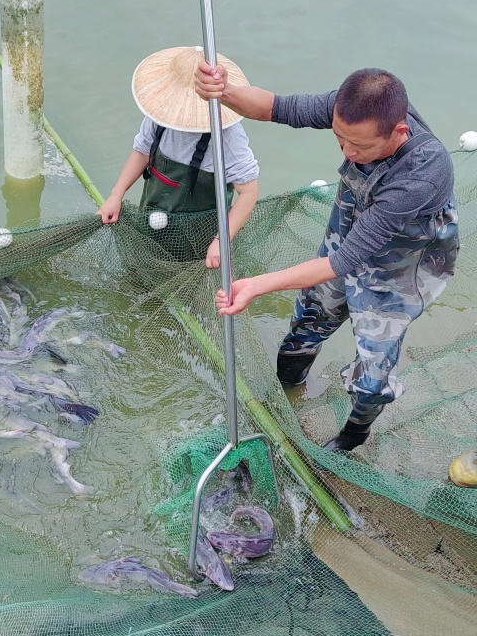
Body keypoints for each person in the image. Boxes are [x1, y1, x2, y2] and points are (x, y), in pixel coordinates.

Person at [195, 61, 459, 452]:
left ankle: (353, 435)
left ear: (400, 132)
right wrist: (223, 90)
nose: (349, 153)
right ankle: (288, 389)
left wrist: (255, 286)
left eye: (361, 147)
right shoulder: (353, 108)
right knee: (309, 319)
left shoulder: (423, 175)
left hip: (402, 261)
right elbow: (273, 107)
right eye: (340, 140)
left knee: (372, 380)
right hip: (353, 226)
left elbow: (342, 263)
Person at [97, 46, 259, 268]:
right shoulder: (160, 111)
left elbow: (249, 193)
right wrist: (116, 196)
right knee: (140, 275)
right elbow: (142, 151)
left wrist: (221, 241)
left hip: (201, 243)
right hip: (151, 221)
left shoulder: (227, 134)